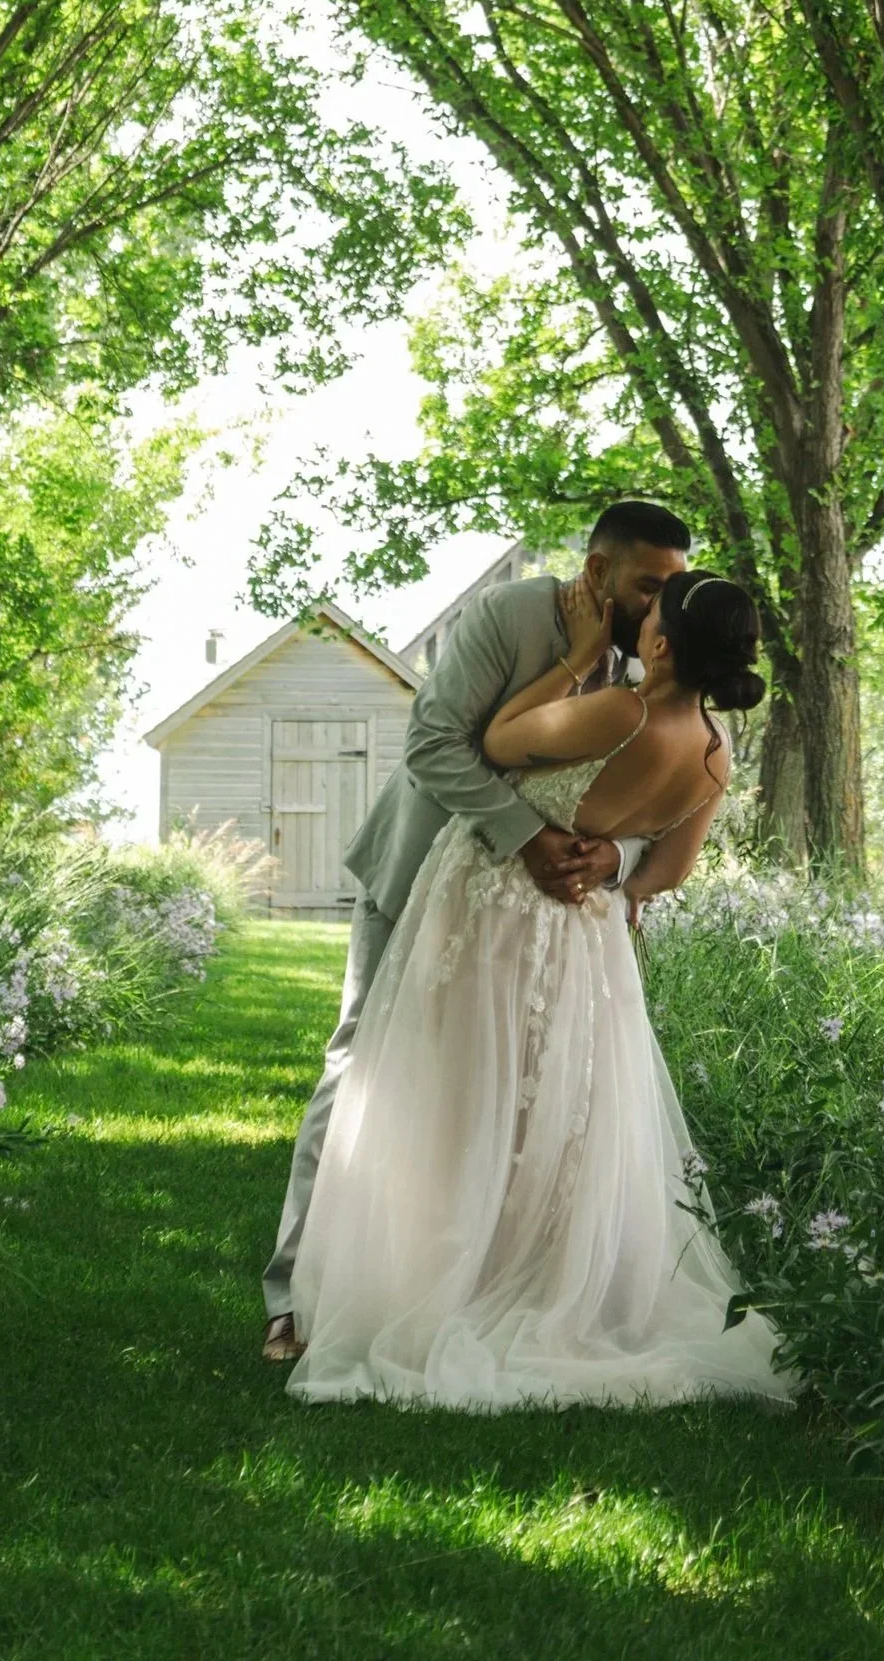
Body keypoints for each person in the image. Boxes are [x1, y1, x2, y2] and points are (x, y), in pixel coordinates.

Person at [284, 566, 793, 1412]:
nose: (639, 619)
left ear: (663, 644)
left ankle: (444, 1280)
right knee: (547, 1117)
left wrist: (577, 659)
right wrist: (610, 859)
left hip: (498, 918)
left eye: (653, 615)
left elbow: (499, 740)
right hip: (585, 938)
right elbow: (665, 870)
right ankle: (525, 1276)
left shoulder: (621, 710)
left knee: (460, 1097)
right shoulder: (714, 755)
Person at [260, 500, 693, 1361]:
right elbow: (434, 744)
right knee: (363, 1068)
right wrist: (530, 838)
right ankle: (296, 1293)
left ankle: (462, 1289)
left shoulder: (660, 662)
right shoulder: (510, 616)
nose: (662, 606)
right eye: (649, 586)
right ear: (598, 571)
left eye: (674, 588)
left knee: (497, 1098)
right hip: (423, 879)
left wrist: (612, 858)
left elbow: (671, 799)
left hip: (541, 929)